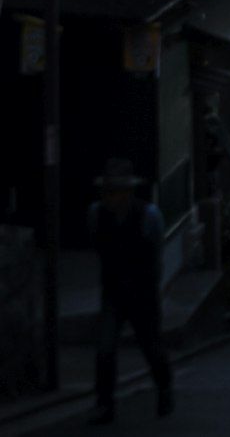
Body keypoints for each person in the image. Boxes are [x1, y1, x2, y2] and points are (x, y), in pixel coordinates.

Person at [88, 158, 173, 425]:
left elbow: (157, 254)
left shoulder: (148, 215)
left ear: (128, 192)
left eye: (117, 190)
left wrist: (153, 288)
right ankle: (104, 403)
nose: (112, 197)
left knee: (150, 346)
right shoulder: (96, 213)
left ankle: (164, 389)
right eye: (108, 191)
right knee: (105, 347)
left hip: (142, 292)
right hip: (113, 290)